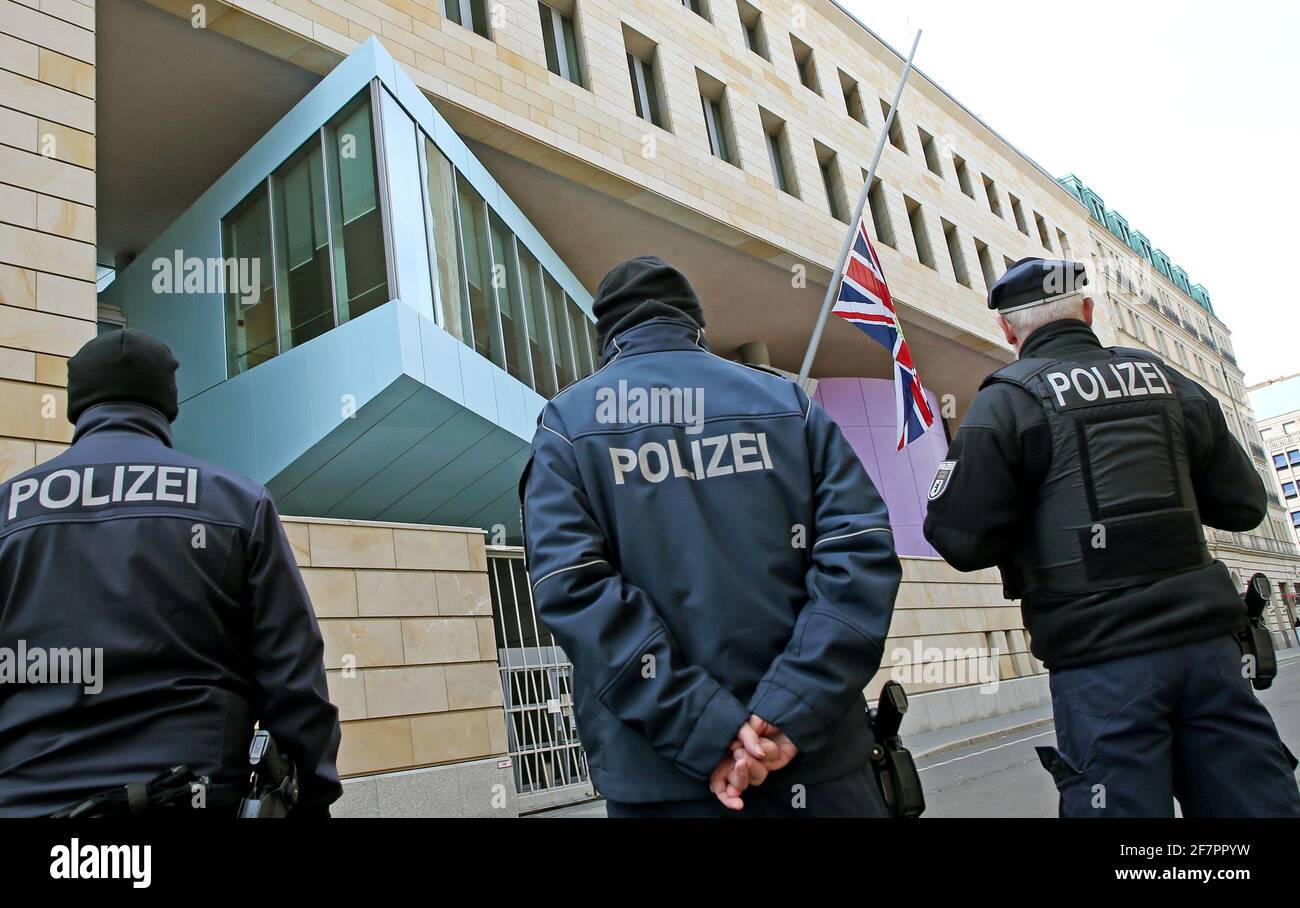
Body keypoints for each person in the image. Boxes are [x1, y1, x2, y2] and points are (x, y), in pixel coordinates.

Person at [520, 256, 901, 817]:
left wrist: (704, 727)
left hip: (661, 780)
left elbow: (573, 591)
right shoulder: (786, 404)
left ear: (607, 335)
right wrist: (791, 708)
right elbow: (860, 554)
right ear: (696, 326)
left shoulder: (567, 425)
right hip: (818, 768)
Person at [923, 257, 1300, 818]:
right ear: (1088, 311)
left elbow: (958, 538)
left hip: (1100, 663)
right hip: (1210, 650)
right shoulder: (1169, 381)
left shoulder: (1007, 401)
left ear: (1007, 329)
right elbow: (1244, 505)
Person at [0, 329, 341, 817]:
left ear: (78, 406)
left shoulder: (9, 510)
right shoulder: (236, 503)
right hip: (192, 799)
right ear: (168, 405)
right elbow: (294, 680)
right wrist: (312, 797)